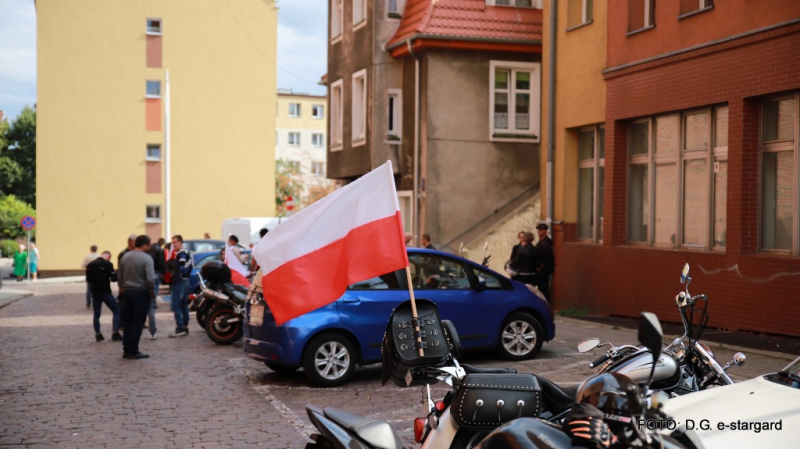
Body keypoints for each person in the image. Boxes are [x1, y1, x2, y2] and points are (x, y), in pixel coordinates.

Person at [118, 235, 155, 359]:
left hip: (127, 292)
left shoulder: (125, 256)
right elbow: (150, 278)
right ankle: (133, 350)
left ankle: (126, 349)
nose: (149, 247)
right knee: (138, 322)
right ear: (144, 244)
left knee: (127, 322)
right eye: (149, 245)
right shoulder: (147, 258)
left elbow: (120, 275)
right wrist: (151, 291)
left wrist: (122, 286)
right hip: (140, 292)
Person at [86, 251, 122, 342]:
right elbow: (114, 279)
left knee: (96, 314)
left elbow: (88, 280)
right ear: (108, 257)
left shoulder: (90, 265)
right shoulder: (108, 264)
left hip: (95, 292)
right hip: (105, 291)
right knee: (116, 310)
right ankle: (115, 332)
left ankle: (98, 334)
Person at [168, 235, 193, 338]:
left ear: (180, 242)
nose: (173, 245)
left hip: (180, 282)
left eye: (175, 242)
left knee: (176, 305)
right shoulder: (186, 252)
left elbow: (181, 268)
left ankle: (180, 328)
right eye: (172, 243)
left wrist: (176, 278)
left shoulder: (182, 253)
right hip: (185, 281)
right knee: (183, 304)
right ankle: (185, 326)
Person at [146, 237, 166, 340]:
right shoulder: (159, 250)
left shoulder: (148, 251)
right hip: (155, 274)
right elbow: (161, 263)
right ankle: (153, 331)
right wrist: (162, 272)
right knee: (151, 306)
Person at [535, 224, 555, 302]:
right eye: (538, 229)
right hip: (542, 268)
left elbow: (544, 257)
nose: (539, 231)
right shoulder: (541, 242)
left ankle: (546, 303)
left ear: (546, 231)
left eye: (541, 230)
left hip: (544, 269)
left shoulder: (545, 243)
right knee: (541, 287)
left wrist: (539, 267)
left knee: (543, 287)